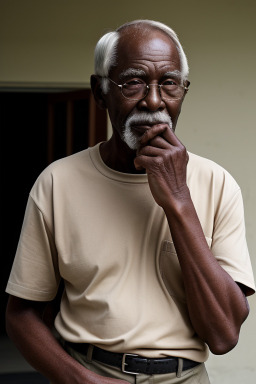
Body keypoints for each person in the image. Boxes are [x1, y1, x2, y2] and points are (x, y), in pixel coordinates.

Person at [5, 19, 255, 384]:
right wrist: (82, 381)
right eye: (133, 81)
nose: (154, 101)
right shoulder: (57, 182)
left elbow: (223, 335)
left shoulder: (218, 184)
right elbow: (21, 316)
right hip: (89, 372)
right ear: (100, 90)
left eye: (169, 82)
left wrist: (178, 200)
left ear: (183, 91)